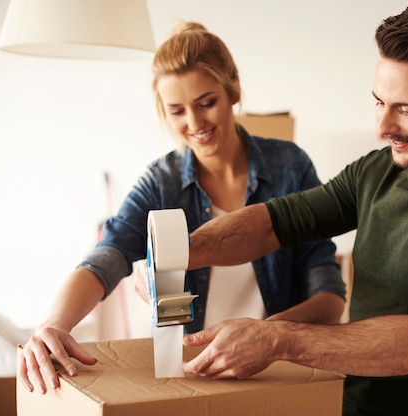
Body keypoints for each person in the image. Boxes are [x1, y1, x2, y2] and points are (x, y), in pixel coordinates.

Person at [169, 1, 408, 416]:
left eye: (406, 109)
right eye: (379, 102)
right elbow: (275, 223)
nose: (383, 127)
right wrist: (183, 252)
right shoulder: (376, 171)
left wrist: (276, 338)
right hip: (341, 407)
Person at [18, 21, 346, 395]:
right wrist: (55, 323)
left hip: (276, 377)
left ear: (232, 90)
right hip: (194, 380)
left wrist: (268, 336)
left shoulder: (291, 166)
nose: (194, 123)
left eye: (207, 103)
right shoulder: (161, 182)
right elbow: (106, 257)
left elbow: (330, 298)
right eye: (177, 111)